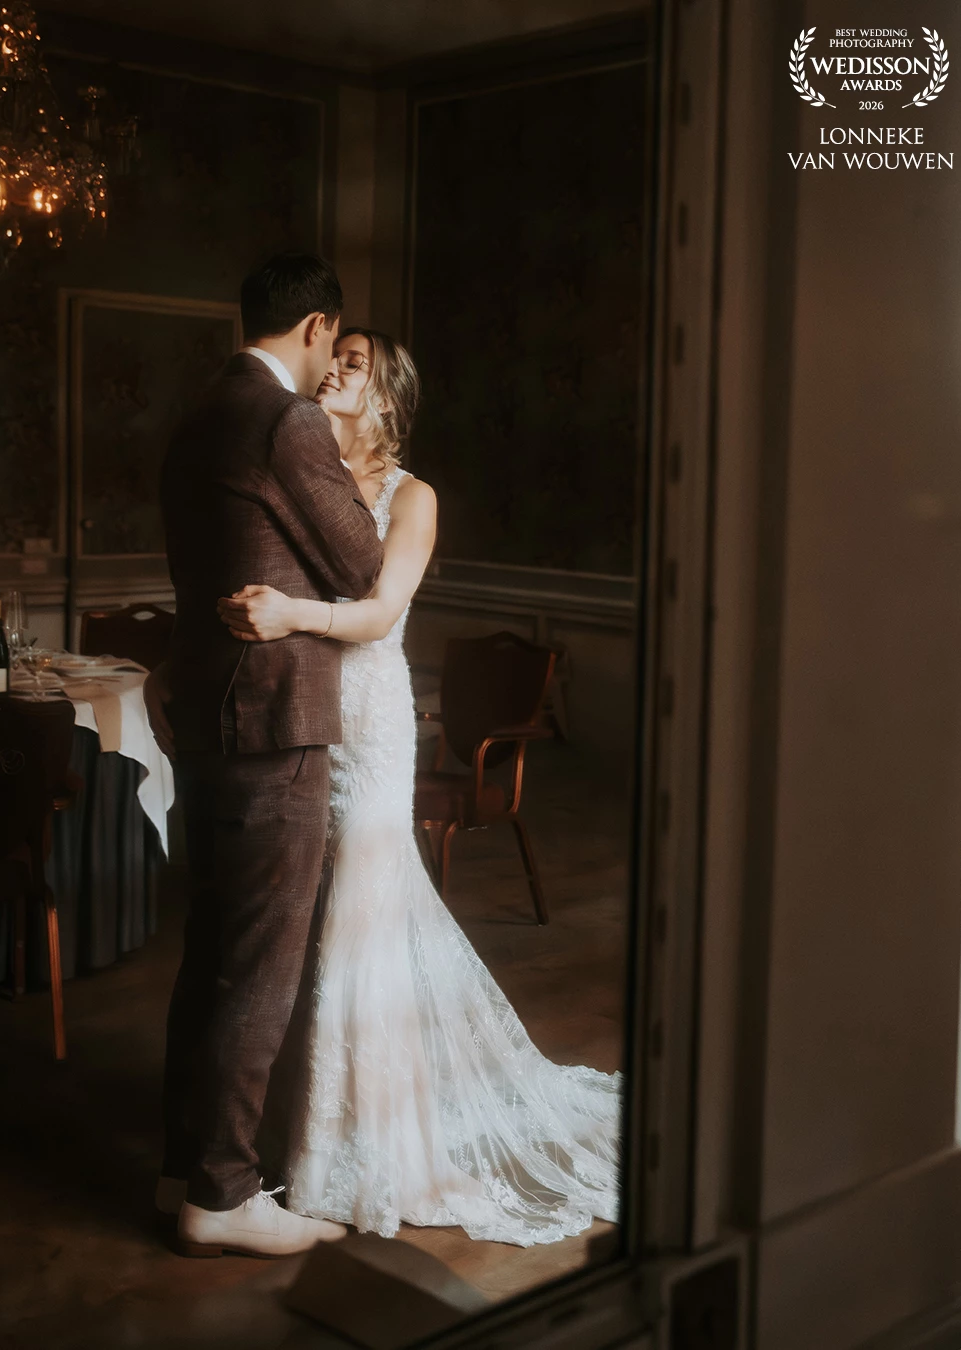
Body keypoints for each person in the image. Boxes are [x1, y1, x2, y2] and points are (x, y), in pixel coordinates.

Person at [218, 328, 620, 1247]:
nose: (336, 367)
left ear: (389, 394)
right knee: (305, 919)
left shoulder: (413, 496)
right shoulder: (305, 477)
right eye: (336, 354)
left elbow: (380, 612)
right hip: (303, 715)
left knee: (358, 919)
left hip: (370, 720)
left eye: (355, 362)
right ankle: (290, 1124)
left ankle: (358, 1143)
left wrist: (287, 615)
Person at [148, 254, 383, 1258]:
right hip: (275, 719)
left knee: (210, 951)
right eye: (335, 341)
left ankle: (184, 1166)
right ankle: (224, 1192)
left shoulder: (200, 411)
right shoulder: (286, 421)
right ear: (319, 326)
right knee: (259, 965)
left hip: (206, 716)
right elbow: (362, 563)